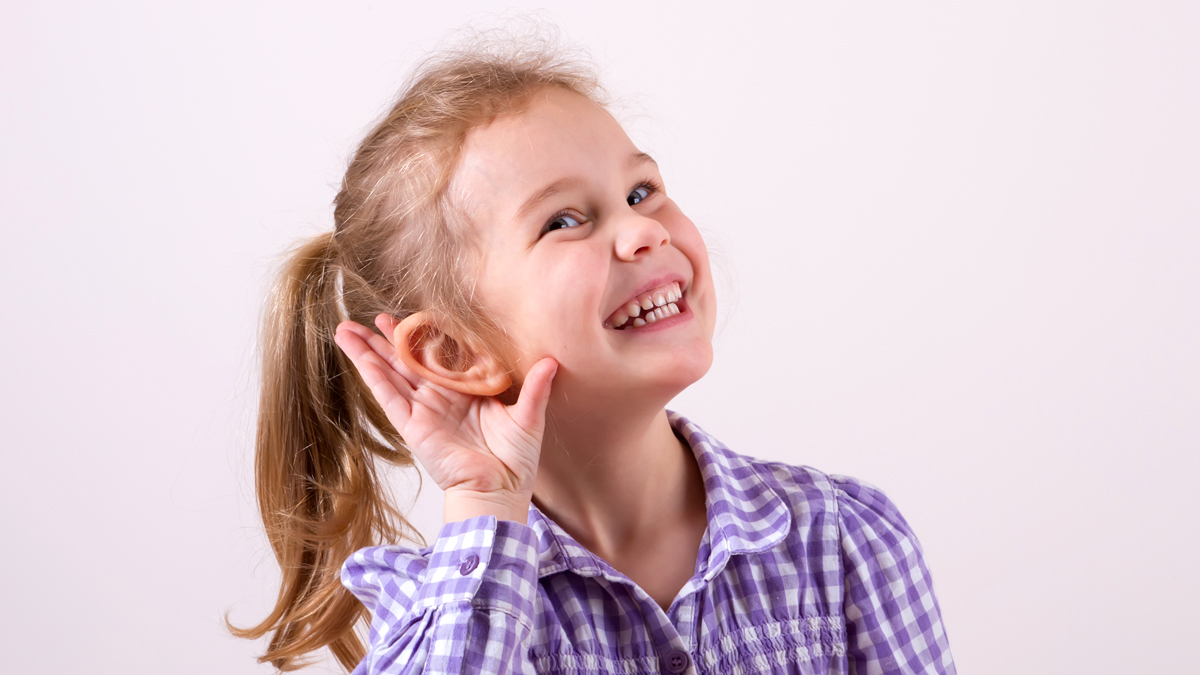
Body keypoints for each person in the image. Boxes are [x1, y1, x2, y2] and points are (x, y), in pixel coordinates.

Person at [234, 36, 955, 675]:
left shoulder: (846, 539)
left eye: (641, 190)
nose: (643, 229)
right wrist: (486, 501)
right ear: (453, 350)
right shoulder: (437, 613)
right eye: (565, 220)